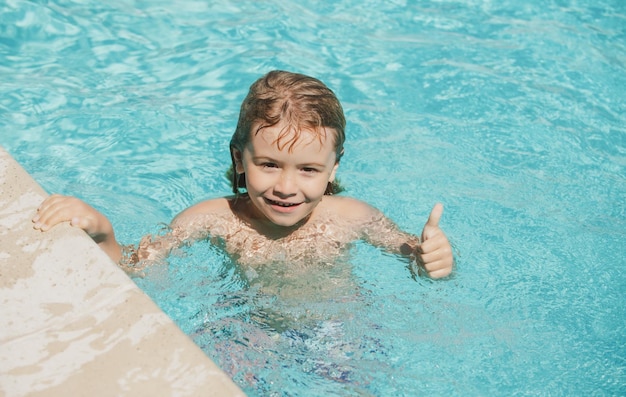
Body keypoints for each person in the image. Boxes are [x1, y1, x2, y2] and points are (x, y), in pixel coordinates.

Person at [32, 70, 454, 279]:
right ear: (239, 159)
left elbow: (410, 256)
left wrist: (429, 258)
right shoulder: (211, 218)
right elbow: (134, 270)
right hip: (250, 339)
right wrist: (104, 234)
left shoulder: (353, 216)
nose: (286, 187)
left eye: (308, 169)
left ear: (333, 168)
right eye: (269, 164)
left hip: (341, 337)